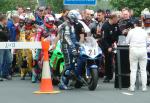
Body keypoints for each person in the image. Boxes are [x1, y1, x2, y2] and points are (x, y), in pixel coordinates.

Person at [54, 10, 87, 90]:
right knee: (68, 65)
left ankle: (77, 76)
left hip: (74, 46)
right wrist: (73, 48)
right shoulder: (65, 25)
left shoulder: (74, 25)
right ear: (72, 17)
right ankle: (62, 83)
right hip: (66, 47)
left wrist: (79, 45)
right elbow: (66, 38)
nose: (77, 20)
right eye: (75, 18)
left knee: (81, 60)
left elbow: (78, 37)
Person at [126, 19, 148, 92]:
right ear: (141, 24)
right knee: (143, 69)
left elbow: (127, 41)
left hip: (134, 50)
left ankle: (132, 87)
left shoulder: (131, 31)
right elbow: (147, 42)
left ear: (135, 24)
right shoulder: (144, 31)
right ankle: (144, 87)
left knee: (133, 69)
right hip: (143, 50)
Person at [101, 14, 120, 83]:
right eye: (116, 19)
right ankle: (107, 76)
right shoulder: (105, 26)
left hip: (114, 44)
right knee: (108, 61)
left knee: (117, 60)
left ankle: (118, 75)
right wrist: (108, 47)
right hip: (107, 45)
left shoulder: (116, 25)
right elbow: (103, 39)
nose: (117, 20)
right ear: (112, 19)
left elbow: (119, 34)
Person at [0, 15, 12, 81]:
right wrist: (4, 33)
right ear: (3, 20)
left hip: (6, 45)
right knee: (0, 61)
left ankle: (5, 74)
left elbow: (8, 36)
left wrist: (3, 32)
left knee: (9, 59)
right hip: (0, 46)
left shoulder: (6, 27)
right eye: (6, 20)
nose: (7, 21)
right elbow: (3, 35)